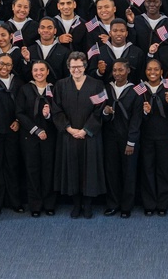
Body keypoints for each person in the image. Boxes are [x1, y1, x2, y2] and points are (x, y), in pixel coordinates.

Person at [52, 51, 107, 218]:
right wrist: (68, 128)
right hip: (69, 135)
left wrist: (85, 130)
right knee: (72, 169)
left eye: (80, 66)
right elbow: (56, 110)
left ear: (85, 66)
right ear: (68, 68)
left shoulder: (97, 85)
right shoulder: (60, 85)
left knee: (89, 170)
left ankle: (88, 205)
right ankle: (76, 205)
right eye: (73, 67)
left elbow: (100, 110)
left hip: (89, 135)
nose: (76, 69)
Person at [15, 60, 58, 217]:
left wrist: (48, 116)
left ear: (47, 72)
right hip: (30, 135)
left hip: (50, 135)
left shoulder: (54, 89)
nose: (39, 73)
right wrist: (36, 130)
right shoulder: (25, 89)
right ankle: (35, 205)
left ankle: (49, 204)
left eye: (42, 70)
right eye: (35, 70)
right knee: (32, 170)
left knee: (48, 169)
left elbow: (60, 113)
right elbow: (19, 113)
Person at [102, 59, 143, 218]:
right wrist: (105, 112)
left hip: (128, 139)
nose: (117, 73)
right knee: (112, 172)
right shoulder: (106, 89)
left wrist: (131, 141)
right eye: (115, 70)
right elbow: (100, 115)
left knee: (129, 173)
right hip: (110, 138)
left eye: (121, 70)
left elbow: (137, 118)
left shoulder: (137, 90)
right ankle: (113, 204)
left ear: (128, 71)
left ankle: (127, 206)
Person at [137, 59, 168, 216]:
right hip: (146, 136)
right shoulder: (140, 88)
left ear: (162, 72)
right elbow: (134, 116)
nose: (152, 72)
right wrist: (144, 112)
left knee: (164, 170)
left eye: (156, 69)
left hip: (165, 136)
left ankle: (163, 204)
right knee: (147, 169)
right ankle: (149, 204)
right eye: (149, 69)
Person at [0, 54, 24, 215]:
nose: (4, 68)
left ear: (12, 66)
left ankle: (15, 202)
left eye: (8, 65)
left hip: (13, 131)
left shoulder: (18, 82)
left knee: (13, 167)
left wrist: (19, 121)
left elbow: (23, 105)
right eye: (1, 64)